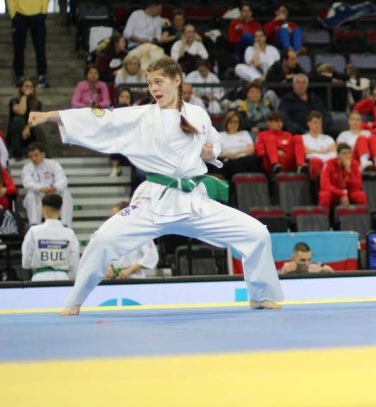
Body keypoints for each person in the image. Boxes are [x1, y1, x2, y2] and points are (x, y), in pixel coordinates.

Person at [29, 57, 284, 315]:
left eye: (159, 82)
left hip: (195, 202)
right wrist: (50, 116)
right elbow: (100, 119)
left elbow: (214, 141)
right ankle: (74, 301)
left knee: (257, 234)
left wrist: (211, 151)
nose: (154, 88)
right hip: (154, 202)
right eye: (150, 83)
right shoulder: (141, 116)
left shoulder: (198, 114)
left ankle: (261, 295)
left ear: (177, 81)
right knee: (102, 240)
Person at [6, 0, 50, 88]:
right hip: (20, 15)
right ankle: (19, 75)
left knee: (40, 47)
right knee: (18, 48)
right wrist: (13, 14)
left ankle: (42, 76)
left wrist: (43, 12)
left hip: (37, 16)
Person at [21, 194, 80, 282]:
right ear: (60, 209)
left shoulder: (34, 231)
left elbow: (26, 262)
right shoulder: (69, 233)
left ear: (45, 209)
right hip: (63, 279)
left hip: (39, 279)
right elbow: (74, 263)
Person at [21, 141, 74, 227]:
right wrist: (42, 189)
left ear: (43, 154)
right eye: (31, 156)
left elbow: (62, 179)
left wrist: (55, 188)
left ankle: (66, 224)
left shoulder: (53, 164)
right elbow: (27, 183)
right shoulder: (27, 168)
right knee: (31, 194)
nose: (34, 158)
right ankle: (34, 224)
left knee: (66, 193)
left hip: (53, 193)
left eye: (36, 155)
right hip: (38, 194)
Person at [103, 201, 159, 279]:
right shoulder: (112, 233)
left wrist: (130, 270)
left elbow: (151, 255)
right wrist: (110, 267)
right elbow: (107, 255)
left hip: (135, 278)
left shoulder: (141, 232)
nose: (113, 219)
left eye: (115, 215)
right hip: (115, 279)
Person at [254, 111, 306, 175]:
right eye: (276, 121)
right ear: (269, 123)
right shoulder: (262, 135)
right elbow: (260, 152)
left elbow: (293, 150)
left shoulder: (287, 135)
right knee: (270, 138)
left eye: (281, 121)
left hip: (287, 162)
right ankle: (275, 165)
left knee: (298, 137)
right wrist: (275, 152)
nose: (279, 124)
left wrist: (284, 152)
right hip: (270, 164)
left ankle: (300, 166)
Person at [319, 143, 367, 210]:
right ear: (338, 155)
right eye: (344, 153)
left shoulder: (355, 164)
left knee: (361, 195)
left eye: (349, 153)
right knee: (324, 195)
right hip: (334, 192)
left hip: (350, 192)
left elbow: (357, 185)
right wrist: (341, 193)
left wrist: (349, 171)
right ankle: (323, 215)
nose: (347, 156)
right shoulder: (329, 164)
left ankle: (361, 215)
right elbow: (325, 185)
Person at [8, 78, 42, 159]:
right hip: (16, 133)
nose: (29, 89)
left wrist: (28, 127)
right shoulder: (14, 101)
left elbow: (36, 118)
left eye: (31, 87)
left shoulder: (37, 103)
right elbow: (21, 111)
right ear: (21, 88)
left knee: (38, 127)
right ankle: (17, 153)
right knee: (18, 120)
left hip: (30, 132)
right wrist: (24, 96)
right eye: (26, 86)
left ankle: (42, 154)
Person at [302, 111, 336, 179]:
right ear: (309, 124)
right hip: (312, 165)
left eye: (320, 122)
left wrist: (313, 151)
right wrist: (325, 152)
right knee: (315, 161)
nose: (318, 125)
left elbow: (334, 152)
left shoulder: (328, 138)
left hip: (327, 164)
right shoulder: (303, 138)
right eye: (315, 122)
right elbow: (306, 152)